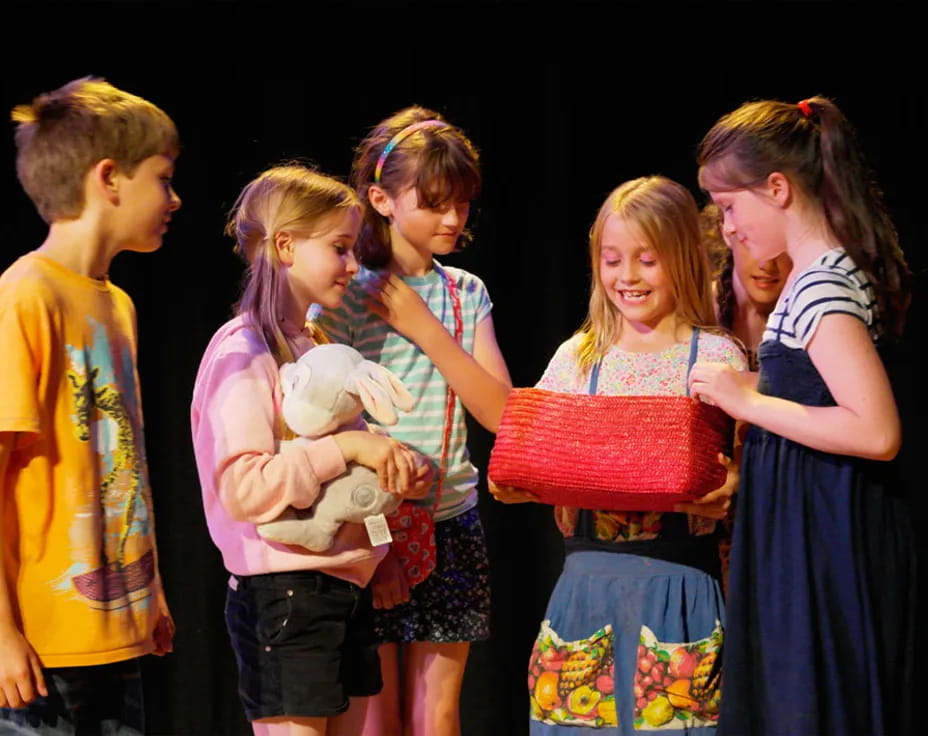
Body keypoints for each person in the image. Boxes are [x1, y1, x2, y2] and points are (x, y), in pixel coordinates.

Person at [690, 96, 914, 735]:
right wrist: (745, 384)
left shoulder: (822, 285)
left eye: (731, 207)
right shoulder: (811, 276)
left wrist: (749, 401)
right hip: (803, 519)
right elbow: (814, 388)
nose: (727, 226)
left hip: (826, 530)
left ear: (778, 188)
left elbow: (875, 430)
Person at [494, 176, 745, 735]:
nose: (626, 277)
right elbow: (533, 456)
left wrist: (733, 492)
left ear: (681, 257)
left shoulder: (714, 357)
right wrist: (519, 478)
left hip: (680, 590)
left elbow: (743, 470)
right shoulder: (580, 358)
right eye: (612, 260)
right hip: (586, 588)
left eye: (646, 260)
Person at [190, 165, 431, 736]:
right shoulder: (243, 350)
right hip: (286, 594)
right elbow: (244, 489)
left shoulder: (318, 346)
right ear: (285, 246)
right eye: (340, 249)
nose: (353, 265)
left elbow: (348, 466)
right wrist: (348, 445)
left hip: (340, 590)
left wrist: (391, 484)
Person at [313, 106, 512, 736]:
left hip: (452, 518)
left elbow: (502, 412)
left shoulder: (466, 292)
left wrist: (424, 328)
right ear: (382, 199)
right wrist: (379, 535)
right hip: (372, 522)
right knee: (376, 713)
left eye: (461, 203)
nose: (453, 219)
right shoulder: (349, 293)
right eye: (434, 203)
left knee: (440, 713)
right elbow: (323, 423)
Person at [0, 77, 179, 733]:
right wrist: (1, 635)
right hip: (42, 647)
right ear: (110, 179)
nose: (174, 198)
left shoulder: (118, 305)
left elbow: (121, 458)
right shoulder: (26, 296)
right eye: (163, 178)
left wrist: (149, 591)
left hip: (118, 631)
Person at [700, 204, 792, 593]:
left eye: (781, 250)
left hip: (783, 491)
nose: (767, 265)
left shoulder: (805, 318)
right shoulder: (705, 309)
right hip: (713, 502)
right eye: (755, 246)